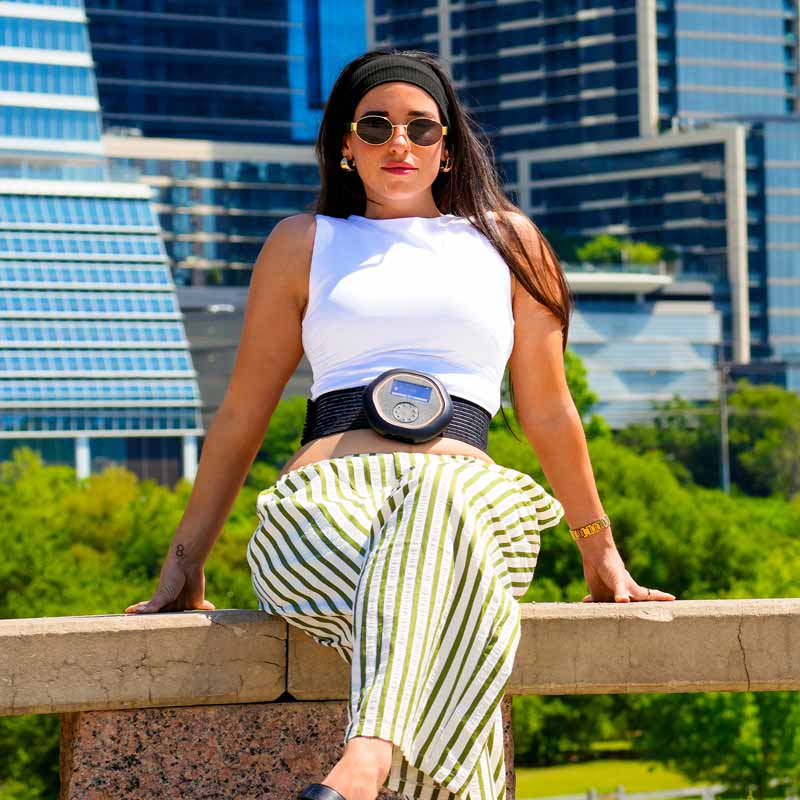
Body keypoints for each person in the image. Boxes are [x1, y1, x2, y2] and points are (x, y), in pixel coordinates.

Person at [125, 48, 676, 800]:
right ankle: (375, 761)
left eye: (421, 129)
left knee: (439, 498)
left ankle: (365, 761)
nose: (400, 144)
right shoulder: (303, 243)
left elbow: (549, 411)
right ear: (344, 145)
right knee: (448, 618)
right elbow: (241, 417)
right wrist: (186, 558)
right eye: (377, 126)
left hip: (474, 508)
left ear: (448, 147)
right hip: (325, 511)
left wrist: (600, 550)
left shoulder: (513, 245)